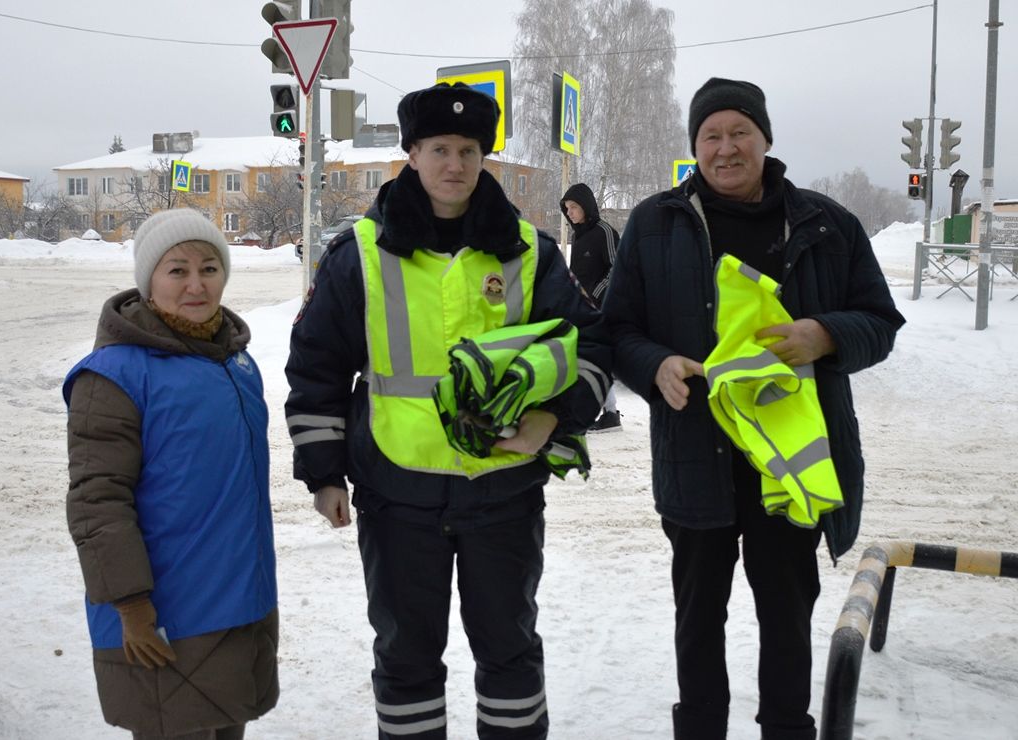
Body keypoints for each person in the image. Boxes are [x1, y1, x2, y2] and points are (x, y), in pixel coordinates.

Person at [285, 82, 611, 739]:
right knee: (406, 660)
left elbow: (592, 345)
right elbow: (316, 364)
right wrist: (323, 473)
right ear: (411, 154)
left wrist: (557, 417)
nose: (454, 164)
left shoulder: (529, 251)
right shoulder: (362, 255)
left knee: (509, 654)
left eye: (468, 149)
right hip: (396, 494)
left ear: (484, 157)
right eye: (439, 148)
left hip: (504, 494)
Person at [603, 77, 905, 740]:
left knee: (787, 615)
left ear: (766, 139)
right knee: (697, 618)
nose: (726, 147)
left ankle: (786, 730)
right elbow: (616, 325)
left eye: (740, 132)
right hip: (695, 455)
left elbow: (880, 320)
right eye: (711, 135)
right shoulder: (656, 224)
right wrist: (654, 364)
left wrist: (823, 335)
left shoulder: (826, 224)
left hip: (792, 464)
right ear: (695, 147)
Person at [64, 209, 279, 740]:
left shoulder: (233, 361)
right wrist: (130, 604)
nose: (196, 284)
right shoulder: (114, 374)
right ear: (148, 281)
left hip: (238, 604)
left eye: (209, 268)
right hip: (165, 615)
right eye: (177, 270)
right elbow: (97, 501)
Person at [561, 182, 622, 432]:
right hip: (580, 307)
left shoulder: (604, 231)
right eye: (567, 208)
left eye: (574, 207)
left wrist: (595, 296)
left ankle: (600, 414)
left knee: (588, 358)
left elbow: (616, 269)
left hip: (601, 307)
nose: (570, 213)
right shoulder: (579, 235)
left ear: (586, 206)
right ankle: (608, 413)